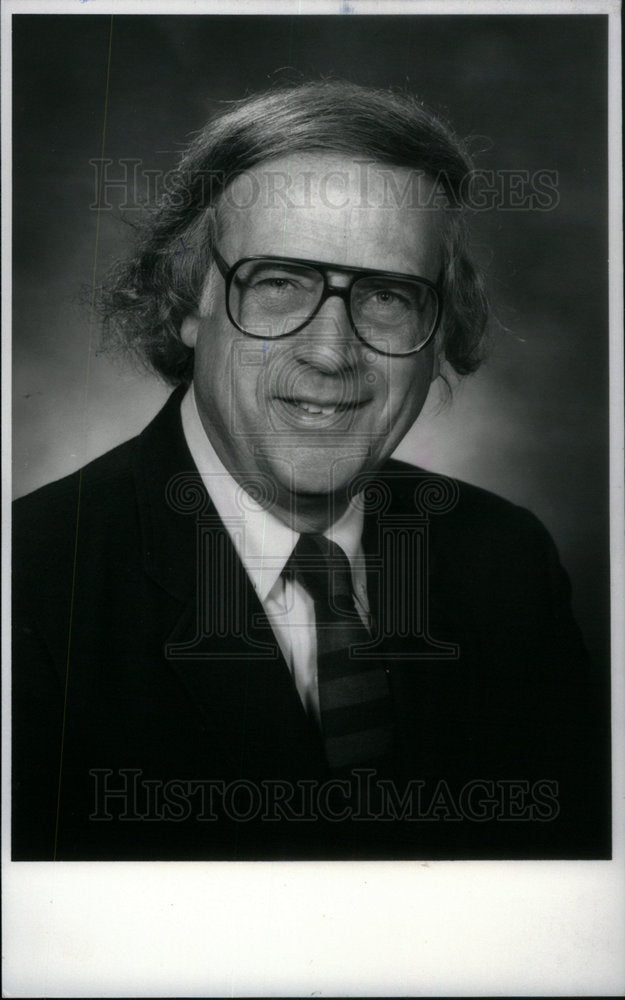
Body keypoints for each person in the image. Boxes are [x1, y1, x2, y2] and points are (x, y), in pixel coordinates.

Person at [12, 81, 609, 861]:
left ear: (437, 334)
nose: (330, 351)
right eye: (279, 283)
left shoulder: (506, 560)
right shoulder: (28, 581)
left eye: (387, 295)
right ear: (187, 302)